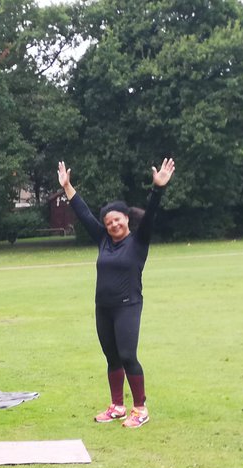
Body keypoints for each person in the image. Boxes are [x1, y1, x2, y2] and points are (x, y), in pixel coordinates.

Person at [58, 158, 175, 428]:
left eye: (117, 220)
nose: (112, 225)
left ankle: (140, 408)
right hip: (104, 307)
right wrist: (67, 187)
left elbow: (152, 215)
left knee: (127, 355)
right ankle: (117, 407)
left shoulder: (138, 241)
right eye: (108, 222)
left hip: (128, 306)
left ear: (127, 220)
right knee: (111, 357)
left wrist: (157, 189)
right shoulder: (103, 240)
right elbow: (84, 213)